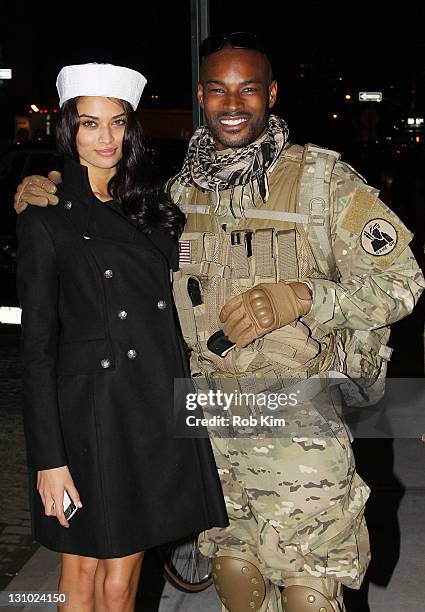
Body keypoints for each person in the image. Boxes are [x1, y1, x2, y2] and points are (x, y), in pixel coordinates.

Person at [14, 37, 425, 612]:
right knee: (237, 578)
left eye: (248, 88)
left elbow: (402, 282)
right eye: (217, 89)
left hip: (295, 420)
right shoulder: (176, 194)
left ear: (271, 94)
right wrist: (47, 193)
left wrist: (306, 297)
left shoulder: (322, 183)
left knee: (309, 592)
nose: (232, 102)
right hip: (207, 426)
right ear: (201, 98)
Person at [15, 62, 227, 612]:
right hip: (91, 413)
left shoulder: (155, 207)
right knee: (80, 571)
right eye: (90, 123)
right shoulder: (46, 216)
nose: (105, 138)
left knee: (122, 580)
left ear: (131, 128)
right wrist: (48, 458)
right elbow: (36, 349)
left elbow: (184, 282)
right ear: (69, 129)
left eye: (117, 122)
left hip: (152, 404)